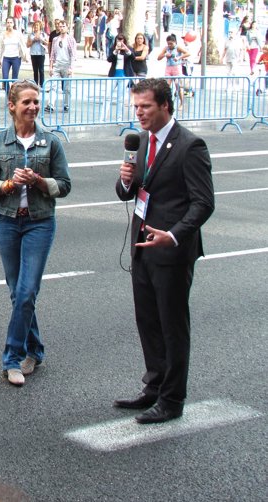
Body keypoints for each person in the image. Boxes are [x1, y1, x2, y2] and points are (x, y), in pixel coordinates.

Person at [114, 78, 215, 424]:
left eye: (145, 107)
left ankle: (173, 399)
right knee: (148, 322)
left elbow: (203, 203)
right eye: (136, 106)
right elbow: (129, 192)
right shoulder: (140, 142)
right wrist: (126, 180)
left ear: (165, 106)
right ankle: (154, 386)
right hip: (142, 247)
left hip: (171, 252)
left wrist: (173, 235)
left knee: (173, 326)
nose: (138, 113)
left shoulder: (190, 146)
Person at [0, 80, 71, 386]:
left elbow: (65, 185)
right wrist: (7, 185)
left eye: (36, 101)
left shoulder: (51, 142)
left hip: (39, 222)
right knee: (17, 292)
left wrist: (40, 182)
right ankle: (36, 349)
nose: (33, 107)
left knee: (26, 291)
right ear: (12, 106)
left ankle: (12, 359)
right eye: (27, 102)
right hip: (5, 221)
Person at [47, 20, 76, 113]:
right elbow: (52, 54)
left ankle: (66, 105)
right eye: (60, 26)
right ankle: (50, 105)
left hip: (66, 64)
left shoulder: (70, 39)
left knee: (67, 87)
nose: (62, 28)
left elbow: (73, 54)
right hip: (57, 64)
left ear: (67, 27)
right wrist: (51, 66)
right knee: (53, 86)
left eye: (63, 26)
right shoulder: (55, 39)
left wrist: (71, 67)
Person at [157, 34, 189, 109]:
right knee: (166, 86)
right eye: (168, 43)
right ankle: (167, 103)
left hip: (176, 68)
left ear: (175, 42)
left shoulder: (178, 48)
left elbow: (188, 53)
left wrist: (179, 57)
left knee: (178, 86)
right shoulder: (166, 48)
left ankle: (181, 103)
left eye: (171, 43)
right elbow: (158, 58)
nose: (170, 45)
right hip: (168, 68)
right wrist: (165, 54)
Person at [0, 17, 28, 92]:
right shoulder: (3, 34)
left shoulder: (18, 33)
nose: (9, 24)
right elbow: (1, 47)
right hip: (6, 58)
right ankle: (8, 95)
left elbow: (23, 45)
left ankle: (14, 95)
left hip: (16, 58)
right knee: (5, 78)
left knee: (14, 79)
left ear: (13, 24)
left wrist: (26, 56)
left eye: (11, 22)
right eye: (8, 22)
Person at [27, 20, 48, 87]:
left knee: (41, 70)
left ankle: (42, 84)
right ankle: (35, 84)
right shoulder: (31, 35)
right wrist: (33, 40)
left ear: (40, 27)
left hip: (41, 53)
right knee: (35, 70)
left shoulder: (43, 34)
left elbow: (47, 43)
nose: (36, 27)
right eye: (35, 25)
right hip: (33, 53)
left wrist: (41, 39)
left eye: (37, 26)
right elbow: (27, 45)